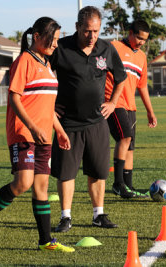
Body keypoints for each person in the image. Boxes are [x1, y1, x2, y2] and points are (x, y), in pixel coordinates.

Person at [0, 17, 74, 252]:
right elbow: (14, 98)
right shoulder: (24, 60)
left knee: (42, 188)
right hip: (24, 133)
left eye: (57, 40)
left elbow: (46, 107)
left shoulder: (46, 65)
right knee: (23, 183)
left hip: (45, 135)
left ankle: (45, 240)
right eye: (53, 39)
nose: (56, 44)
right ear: (37, 37)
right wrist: (33, 127)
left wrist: (60, 130)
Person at [49, 6, 126, 233]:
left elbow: (120, 77)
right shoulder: (61, 48)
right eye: (87, 31)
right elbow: (41, 73)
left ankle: (98, 214)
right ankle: (65, 217)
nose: (92, 36)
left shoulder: (106, 48)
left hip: (97, 123)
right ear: (77, 27)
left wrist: (113, 103)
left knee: (98, 171)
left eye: (96, 31)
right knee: (66, 173)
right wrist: (50, 105)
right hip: (68, 124)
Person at [105, 20, 157, 199]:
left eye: (144, 40)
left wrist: (150, 111)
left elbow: (142, 87)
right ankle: (118, 184)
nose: (141, 42)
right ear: (130, 33)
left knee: (130, 147)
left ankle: (128, 186)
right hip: (113, 102)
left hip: (130, 106)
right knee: (124, 137)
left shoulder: (142, 57)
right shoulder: (113, 47)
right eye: (139, 38)